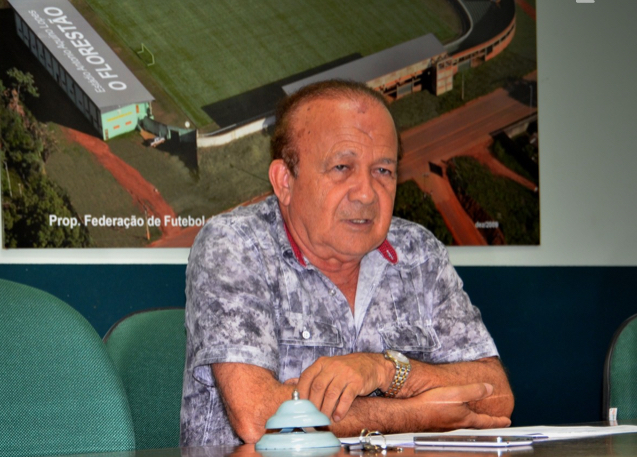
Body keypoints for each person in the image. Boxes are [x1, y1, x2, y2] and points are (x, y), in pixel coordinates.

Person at [180, 80, 514, 447]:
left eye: (383, 170)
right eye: (342, 167)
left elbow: (497, 396)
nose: (367, 193)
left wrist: (385, 370)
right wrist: (414, 415)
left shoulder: (418, 251)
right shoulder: (235, 245)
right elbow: (258, 417)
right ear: (285, 181)